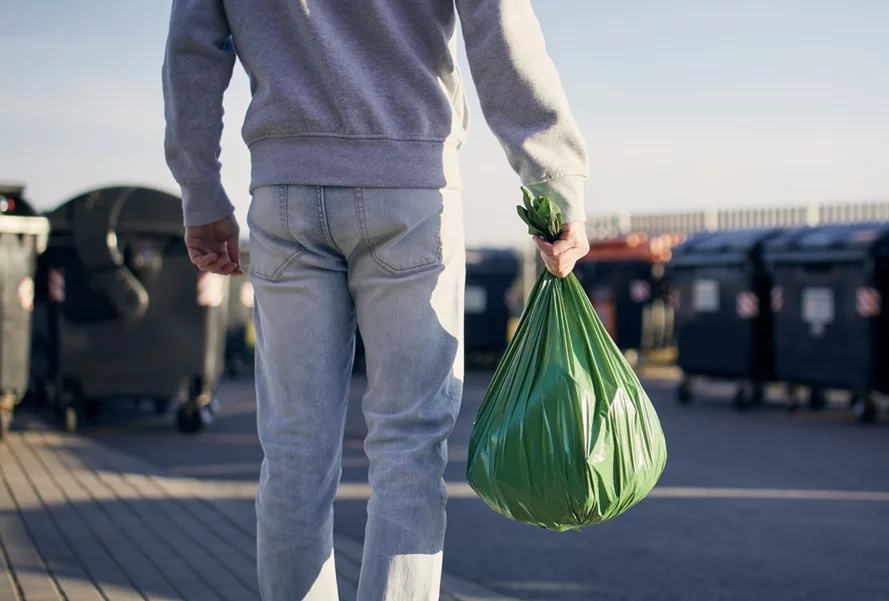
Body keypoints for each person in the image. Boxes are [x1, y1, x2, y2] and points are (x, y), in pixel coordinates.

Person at [163, 1, 589, 600]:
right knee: (408, 449)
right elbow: (500, 27)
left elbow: (193, 43)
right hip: (411, 190)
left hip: (284, 193)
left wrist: (200, 189)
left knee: (293, 454)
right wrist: (553, 180)